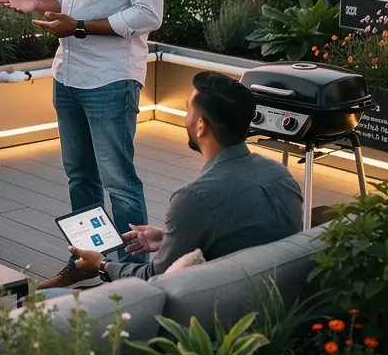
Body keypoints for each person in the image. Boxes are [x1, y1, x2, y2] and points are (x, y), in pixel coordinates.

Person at [0, 0, 163, 250]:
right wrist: (37, 2)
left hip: (110, 79)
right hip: (67, 75)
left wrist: (81, 27)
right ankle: (89, 261)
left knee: (119, 182)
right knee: (80, 179)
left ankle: (132, 273)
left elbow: (148, 14)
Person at [38, 71, 303, 288]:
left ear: (201, 126)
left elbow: (155, 280)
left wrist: (103, 265)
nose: (185, 115)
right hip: (272, 298)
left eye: (187, 109)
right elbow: (240, 239)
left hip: (218, 317)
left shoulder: (194, 198)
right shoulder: (281, 176)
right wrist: (168, 239)